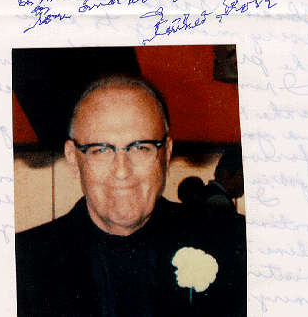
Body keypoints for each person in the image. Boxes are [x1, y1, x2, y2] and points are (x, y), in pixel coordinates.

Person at [15, 75, 246, 317]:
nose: (122, 171)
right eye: (101, 150)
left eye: (140, 147)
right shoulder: (21, 262)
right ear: (73, 159)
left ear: (166, 155)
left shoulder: (235, 242)